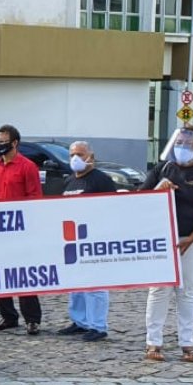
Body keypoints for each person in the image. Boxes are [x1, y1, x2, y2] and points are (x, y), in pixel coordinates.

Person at [141, 125, 193, 363]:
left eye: (187, 144)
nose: (182, 148)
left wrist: (192, 238)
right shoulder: (163, 168)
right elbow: (141, 198)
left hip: (192, 237)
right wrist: (160, 188)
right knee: (159, 289)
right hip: (163, 237)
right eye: (179, 143)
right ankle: (153, 342)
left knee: (188, 289)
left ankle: (187, 343)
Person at [56, 141, 118, 342]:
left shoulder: (102, 180)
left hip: (95, 239)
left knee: (95, 285)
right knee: (76, 285)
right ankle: (80, 322)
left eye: (81, 154)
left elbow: (114, 208)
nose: (76, 158)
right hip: (73, 240)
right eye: (73, 154)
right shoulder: (69, 180)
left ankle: (98, 326)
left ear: (91, 156)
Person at [0, 124, 43, 334]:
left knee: (23, 274)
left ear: (14, 143)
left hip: (20, 230)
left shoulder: (27, 167)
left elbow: (35, 198)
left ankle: (32, 319)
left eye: (3, 141)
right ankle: (8, 316)